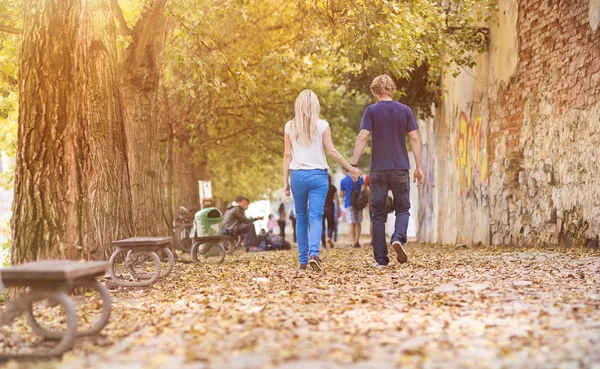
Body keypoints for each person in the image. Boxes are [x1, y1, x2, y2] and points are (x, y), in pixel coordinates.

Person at [283, 90, 361, 271]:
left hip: (298, 176)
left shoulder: (289, 126)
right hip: (318, 176)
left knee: (301, 218)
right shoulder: (322, 125)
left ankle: (302, 261)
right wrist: (351, 169)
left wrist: (285, 180)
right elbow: (332, 152)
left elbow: (287, 155)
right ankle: (313, 254)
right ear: (315, 105)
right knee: (316, 216)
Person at [351, 75, 424, 267]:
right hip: (400, 167)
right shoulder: (405, 110)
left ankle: (381, 260)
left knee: (377, 214)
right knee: (403, 208)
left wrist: (354, 164)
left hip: (378, 170)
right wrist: (419, 167)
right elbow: (414, 139)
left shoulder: (371, 111)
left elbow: (363, 137)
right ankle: (398, 237)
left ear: (375, 91)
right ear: (392, 89)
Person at [339, 168, 365, 248]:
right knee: (358, 222)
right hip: (358, 203)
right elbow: (363, 188)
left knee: (351, 222)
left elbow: (342, 194)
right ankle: (357, 241)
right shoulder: (359, 177)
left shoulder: (343, 181)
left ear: (344, 170)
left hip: (348, 203)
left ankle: (353, 242)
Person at [321, 174, 340, 249]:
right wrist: (338, 209)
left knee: (322, 227)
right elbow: (336, 199)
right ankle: (329, 237)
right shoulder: (332, 187)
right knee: (330, 225)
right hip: (330, 208)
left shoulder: (321, 187)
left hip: (321, 208)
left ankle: (323, 244)